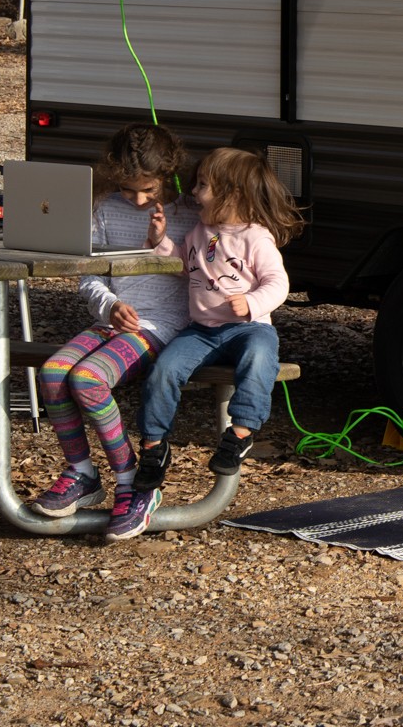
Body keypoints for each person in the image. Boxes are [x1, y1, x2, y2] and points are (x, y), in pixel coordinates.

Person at [117, 146, 304, 541]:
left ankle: (240, 433)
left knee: (259, 358)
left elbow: (279, 283)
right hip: (201, 330)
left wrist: (250, 303)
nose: (193, 192)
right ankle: (153, 445)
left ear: (231, 195)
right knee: (164, 370)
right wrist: (160, 240)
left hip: (247, 327)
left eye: (203, 185)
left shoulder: (255, 238)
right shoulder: (201, 233)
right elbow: (185, 264)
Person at [27, 124, 199, 534]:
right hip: (113, 319)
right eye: (128, 189)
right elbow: (90, 277)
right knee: (52, 373)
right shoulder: (103, 208)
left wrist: (161, 242)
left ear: (169, 174)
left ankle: (129, 481)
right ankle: (82, 474)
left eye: (148, 190)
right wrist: (111, 304)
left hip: (162, 325)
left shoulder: (191, 213)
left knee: (87, 379)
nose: (138, 199)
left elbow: (202, 275)